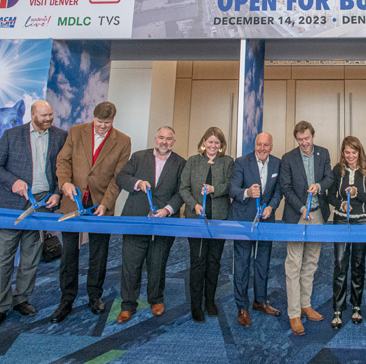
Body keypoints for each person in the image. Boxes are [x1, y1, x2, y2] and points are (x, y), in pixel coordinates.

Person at [50, 102, 131, 323]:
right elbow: (63, 160)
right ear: (93, 118)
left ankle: (94, 295)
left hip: (101, 204)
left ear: (113, 120)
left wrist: (106, 204)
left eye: (107, 123)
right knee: (69, 253)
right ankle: (67, 298)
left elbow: (118, 177)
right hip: (72, 201)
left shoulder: (123, 141)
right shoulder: (76, 132)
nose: (102, 127)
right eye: (99, 123)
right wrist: (65, 183)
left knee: (99, 252)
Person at [0, 101, 66, 325]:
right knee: (3, 258)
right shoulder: (11, 135)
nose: (49, 119)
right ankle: (1, 304)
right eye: (44, 115)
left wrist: (57, 193)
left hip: (42, 205)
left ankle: (21, 299)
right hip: (11, 204)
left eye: (51, 114)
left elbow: (64, 170)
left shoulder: (60, 136)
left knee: (31, 257)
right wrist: (13, 182)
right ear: (32, 115)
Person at [114, 126, 186, 323]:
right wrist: (137, 183)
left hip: (164, 222)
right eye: (161, 138)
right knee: (131, 264)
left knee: (158, 263)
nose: (164, 142)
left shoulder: (180, 163)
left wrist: (168, 210)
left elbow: (182, 192)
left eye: (169, 139)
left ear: (173, 141)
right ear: (155, 139)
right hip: (136, 219)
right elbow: (121, 178)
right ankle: (128, 305)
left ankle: (156, 299)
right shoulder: (138, 157)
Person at [279, 121, 333, 336]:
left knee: (311, 262)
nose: (304, 143)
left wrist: (319, 186)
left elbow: (330, 177)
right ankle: (294, 313)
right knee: (293, 265)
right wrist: (301, 207)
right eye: (300, 140)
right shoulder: (288, 158)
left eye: (307, 139)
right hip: (296, 215)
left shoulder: (323, 153)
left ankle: (305, 304)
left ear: (313, 136)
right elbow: (286, 187)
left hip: (318, 214)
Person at [228, 132, 282, 328]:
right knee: (242, 265)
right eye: (259, 144)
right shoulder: (241, 162)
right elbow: (232, 189)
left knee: (263, 263)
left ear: (271, 146)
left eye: (266, 145)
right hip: (243, 220)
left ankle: (260, 301)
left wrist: (271, 207)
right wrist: (247, 193)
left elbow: (278, 191)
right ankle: (242, 307)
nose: (262, 148)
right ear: (255, 144)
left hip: (266, 220)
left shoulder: (277, 163)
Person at [180, 127, 233, 323]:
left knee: (214, 261)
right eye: (210, 142)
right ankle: (196, 305)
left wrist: (213, 189)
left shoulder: (227, 162)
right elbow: (183, 187)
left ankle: (210, 300)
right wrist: (194, 205)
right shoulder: (193, 161)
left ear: (221, 146)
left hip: (219, 218)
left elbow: (230, 186)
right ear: (203, 142)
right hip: (196, 219)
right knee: (198, 261)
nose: (213, 146)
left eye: (216, 143)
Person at [327, 136, 366, 329]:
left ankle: (356, 305)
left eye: (353, 152)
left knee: (358, 263)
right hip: (341, 218)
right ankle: (337, 309)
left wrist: (356, 193)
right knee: (340, 263)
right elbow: (330, 195)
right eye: (347, 152)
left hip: (363, 219)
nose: (350, 156)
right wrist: (341, 202)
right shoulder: (336, 169)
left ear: (359, 152)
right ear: (343, 152)